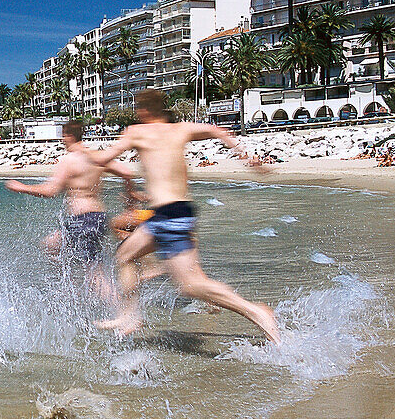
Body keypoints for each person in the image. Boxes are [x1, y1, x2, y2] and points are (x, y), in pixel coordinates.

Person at [88, 89, 282, 344]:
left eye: (137, 107)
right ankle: (130, 315)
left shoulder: (136, 131)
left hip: (167, 215)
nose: (136, 112)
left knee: (192, 285)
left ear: (144, 110)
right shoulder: (180, 129)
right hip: (177, 213)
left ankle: (257, 312)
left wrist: (79, 152)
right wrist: (247, 158)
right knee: (125, 255)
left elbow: (103, 158)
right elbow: (218, 131)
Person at [5, 120, 136, 308]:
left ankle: (123, 310)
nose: (62, 140)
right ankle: (70, 288)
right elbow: (126, 172)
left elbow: (51, 191)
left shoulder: (69, 160)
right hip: (97, 218)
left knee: (94, 275)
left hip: (83, 220)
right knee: (51, 245)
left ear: (69, 135)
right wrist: (130, 197)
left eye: (63, 136)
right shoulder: (96, 157)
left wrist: (21, 187)